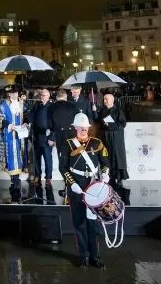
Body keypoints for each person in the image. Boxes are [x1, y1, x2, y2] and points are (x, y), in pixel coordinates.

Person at [60, 113, 109, 269]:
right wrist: (72, 183)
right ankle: (84, 257)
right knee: (79, 222)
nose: (82, 130)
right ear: (75, 128)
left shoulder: (97, 143)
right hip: (76, 187)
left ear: (88, 128)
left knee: (93, 224)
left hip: (93, 186)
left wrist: (106, 174)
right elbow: (63, 167)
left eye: (85, 127)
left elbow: (105, 162)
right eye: (79, 127)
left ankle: (95, 256)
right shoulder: (67, 144)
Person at [0, 84, 27, 201]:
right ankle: (14, 179)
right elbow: (1, 120)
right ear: (9, 94)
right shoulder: (4, 105)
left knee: (19, 155)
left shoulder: (21, 104)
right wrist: (10, 126)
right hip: (9, 134)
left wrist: (25, 122)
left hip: (20, 135)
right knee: (10, 156)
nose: (14, 95)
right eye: (12, 93)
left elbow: (26, 116)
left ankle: (16, 179)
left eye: (16, 93)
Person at [97, 93, 129, 187]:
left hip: (116, 138)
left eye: (106, 99)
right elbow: (98, 120)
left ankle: (119, 178)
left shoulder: (118, 110)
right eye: (104, 99)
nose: (104, 101)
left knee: (117, 157)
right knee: (107, 157)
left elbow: (122, 124)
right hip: (106, 137)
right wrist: (95, 111)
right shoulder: (103, 111)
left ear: (112, 100)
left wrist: (110, 125)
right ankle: (108, 176)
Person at [27, 88, 54, 185]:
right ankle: (37, 175)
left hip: (47, 138)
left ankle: (48, 178)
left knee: (48, 159)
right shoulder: (37, 105)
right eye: (41, 95)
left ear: (48, 96)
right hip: (36, 136)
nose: (42, 97)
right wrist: (28, 121)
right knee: (36, 159)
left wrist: (52, 137)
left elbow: (54, 124)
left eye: (44, 95)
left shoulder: (52, 106)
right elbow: (30, 116)